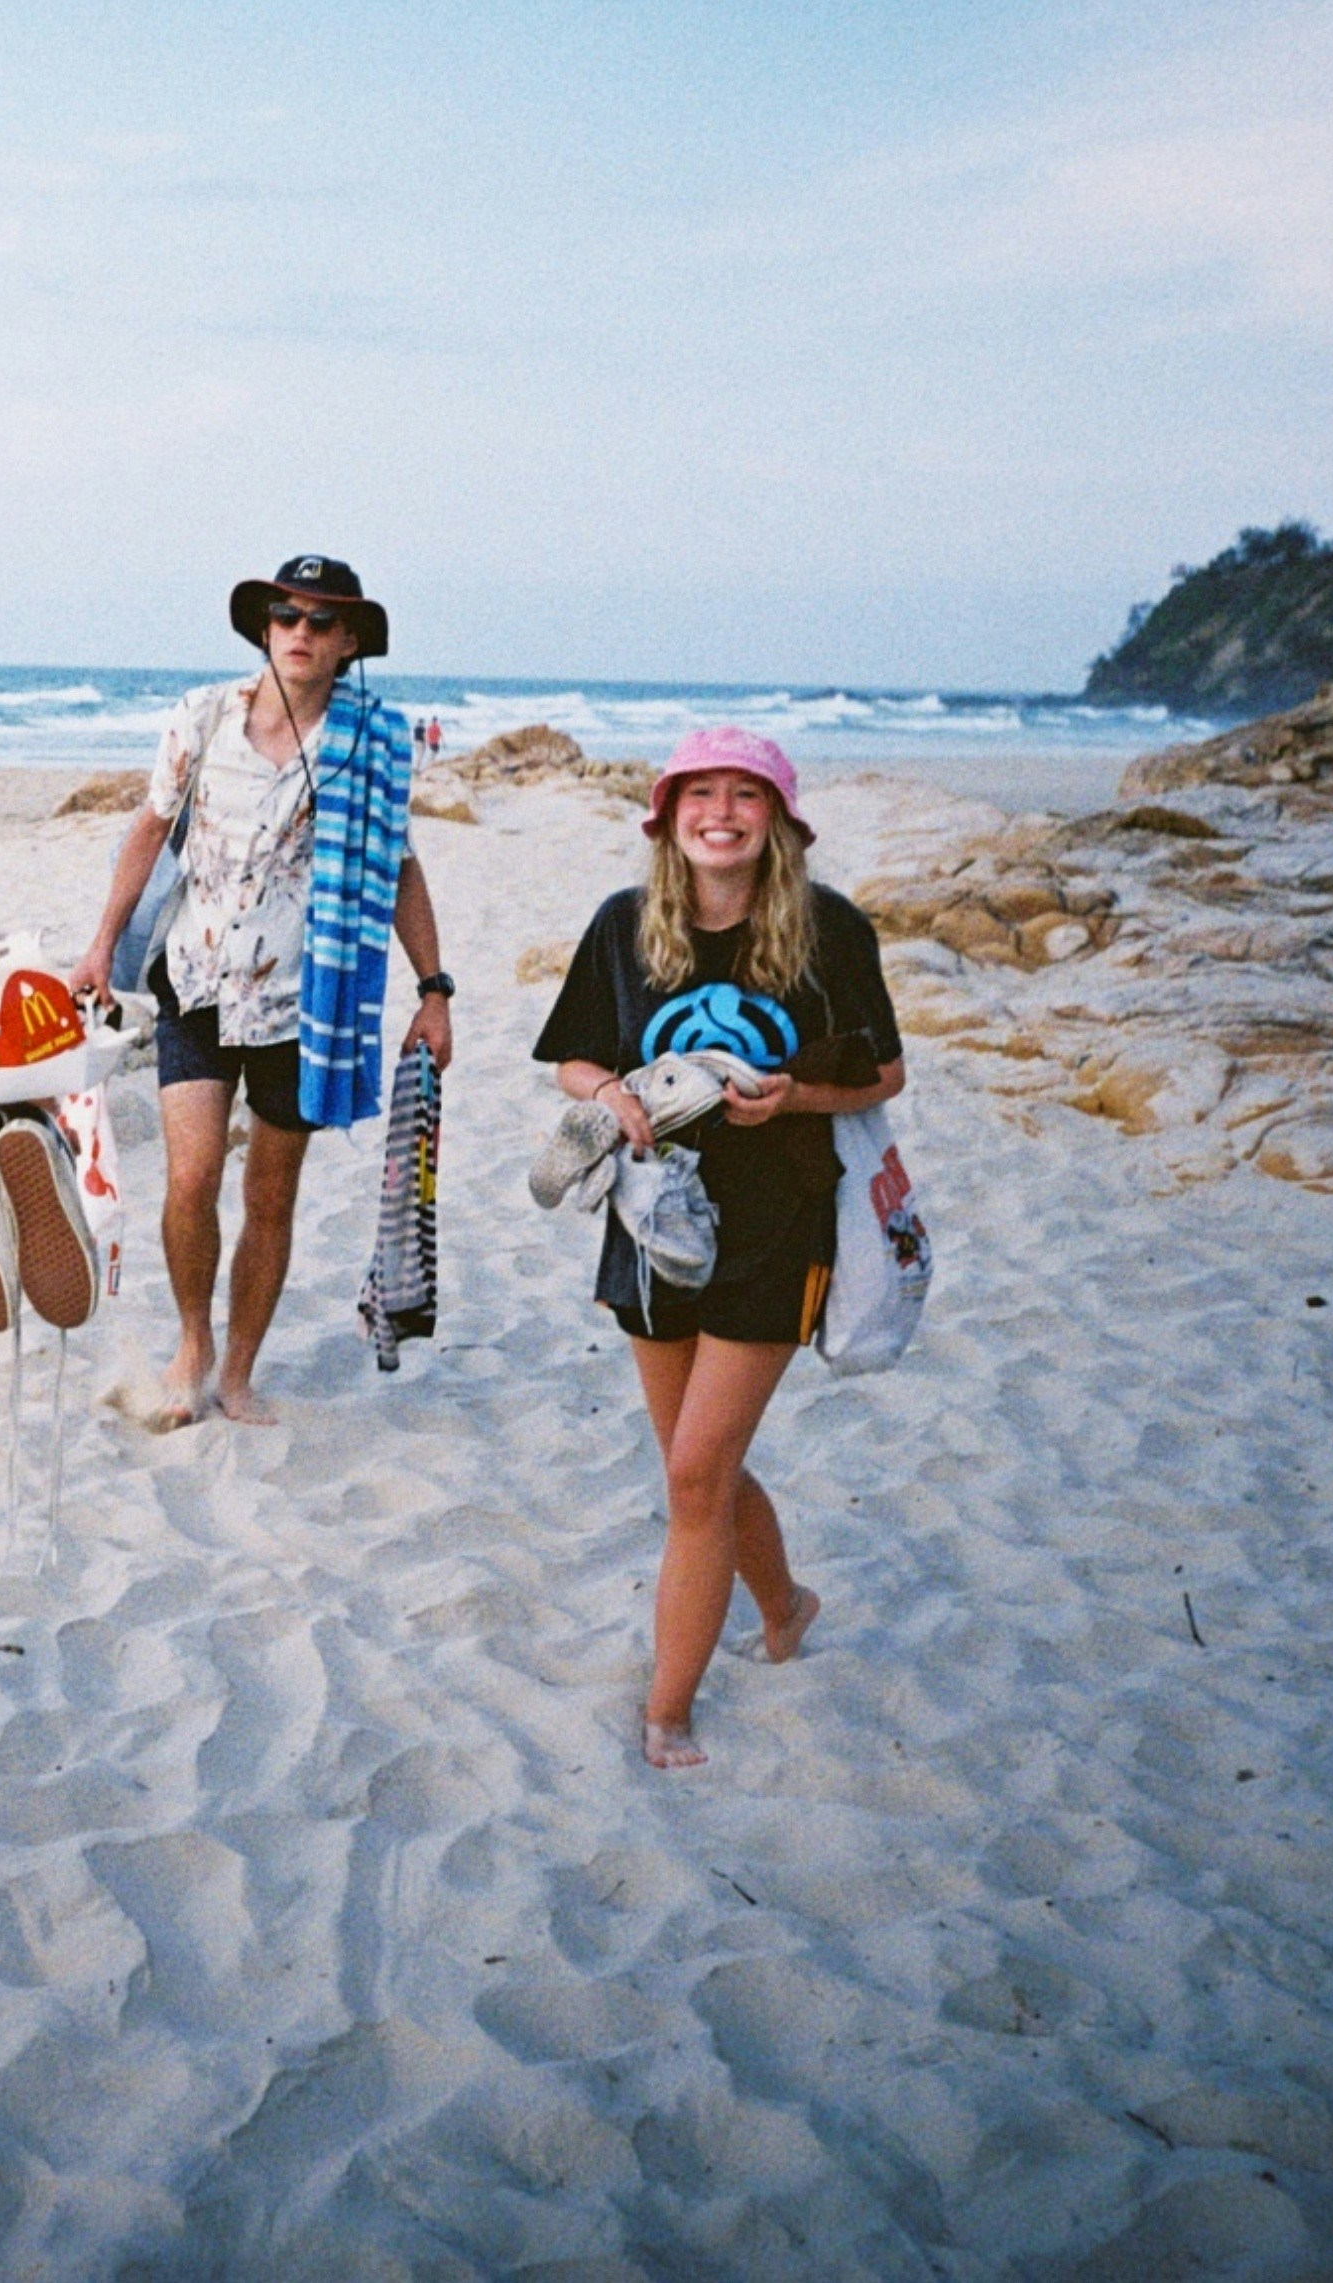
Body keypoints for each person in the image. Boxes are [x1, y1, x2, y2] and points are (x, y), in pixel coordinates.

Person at [527, 728, 904, 1770]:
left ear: (778, 818)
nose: (722, 813)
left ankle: (667, 1707)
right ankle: (783, 1606)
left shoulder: (829, 930)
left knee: (694, 1473)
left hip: (779, 1223)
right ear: (668, 815)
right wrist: (606, 1090)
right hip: (651, 1223)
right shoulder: (624, 925)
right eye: (701, 794)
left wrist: (798, 1095)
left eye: (746, 795)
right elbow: (572, 1055)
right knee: (699, 1467)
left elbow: (884, 1075)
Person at [67, 555, 451, 1426]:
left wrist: (434, 991)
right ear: (265, 627)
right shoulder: (202, 718)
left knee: (269, 1195)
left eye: (321, 621)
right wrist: (98, 946)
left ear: (349, 641)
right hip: (197, 981)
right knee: (192, 1176)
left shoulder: (372, 742)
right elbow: (147, 828)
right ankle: (192, 1339)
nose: (301, 633)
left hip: (302, 1002)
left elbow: (397, 867)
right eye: (286, 615)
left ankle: (237, 1370)